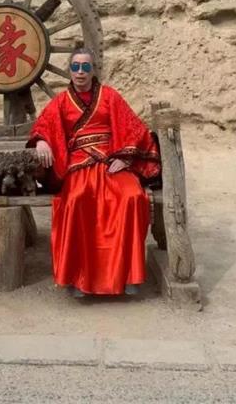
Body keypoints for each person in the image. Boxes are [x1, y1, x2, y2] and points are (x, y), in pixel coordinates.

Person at [28, 48, 160, 297]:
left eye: (85, 67)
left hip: (111, 160)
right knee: (76, 200)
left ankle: (128, 275)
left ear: (93, 70)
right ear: (70, 70)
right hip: (79, 163)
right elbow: (43, 126)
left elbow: (134, 127)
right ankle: (79, 278)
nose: (80, 72)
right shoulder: (61, 101)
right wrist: (41, 141)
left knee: (132, 197)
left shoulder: (110, 96)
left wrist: (125, 156)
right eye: (75, 66)